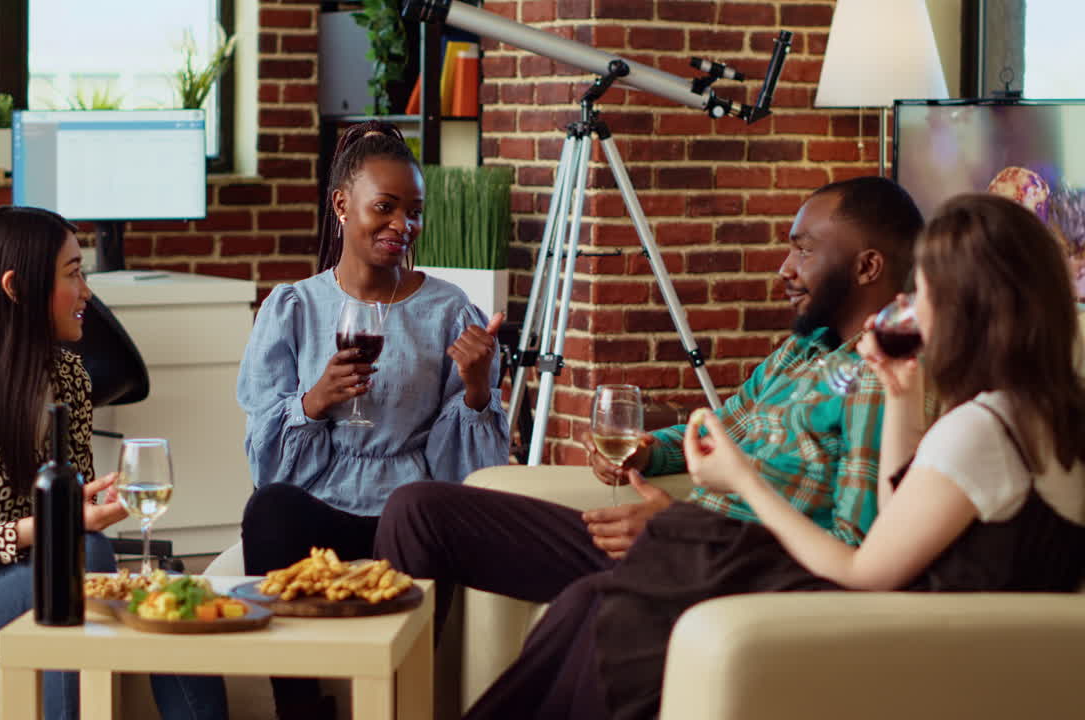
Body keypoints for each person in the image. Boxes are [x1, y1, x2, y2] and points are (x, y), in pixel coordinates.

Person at [462, 192, 1085, 720]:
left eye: (922, 293)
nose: (908, 309)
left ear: (969, 309)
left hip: (919, 644)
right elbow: (899, 516)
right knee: (607, 596)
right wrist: (904, 392)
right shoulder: (1030, 413)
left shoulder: (980, 428)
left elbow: (869, 568)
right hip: (935, 629)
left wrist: (743, 481)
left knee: (666, 560)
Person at [374, 175, 925, 636]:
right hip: (671, 539)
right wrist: (644, 452)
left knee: (588, 607)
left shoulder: (879, 382)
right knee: (417, 510)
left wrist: (688, 528)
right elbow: (715, 435)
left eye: (803, 249)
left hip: (716, 560)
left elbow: (854, 547)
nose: (784, 268)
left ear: (867, 267)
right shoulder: (797, 354)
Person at [0, 206, 229, 720]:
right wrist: (46, 526)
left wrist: (85, 507)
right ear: (16, 287)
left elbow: (72, 506)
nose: (87, 292)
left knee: (163, 593)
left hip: (33, 570)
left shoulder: (68, 376)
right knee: (78, 561)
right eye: (73, 274)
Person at [235, 121, 510, 718]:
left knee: (423, 510)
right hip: (320, 502)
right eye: (384, 208)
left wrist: (477, 388)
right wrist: (314, 401)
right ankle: (300, 709)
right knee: (268, 509)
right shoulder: (293, 308)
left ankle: (393, 707)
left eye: (413, 211)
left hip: (408, 510)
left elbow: (468, 473)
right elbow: (264, 459)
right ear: (342, 204)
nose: (401, 226)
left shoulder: (448, 310)